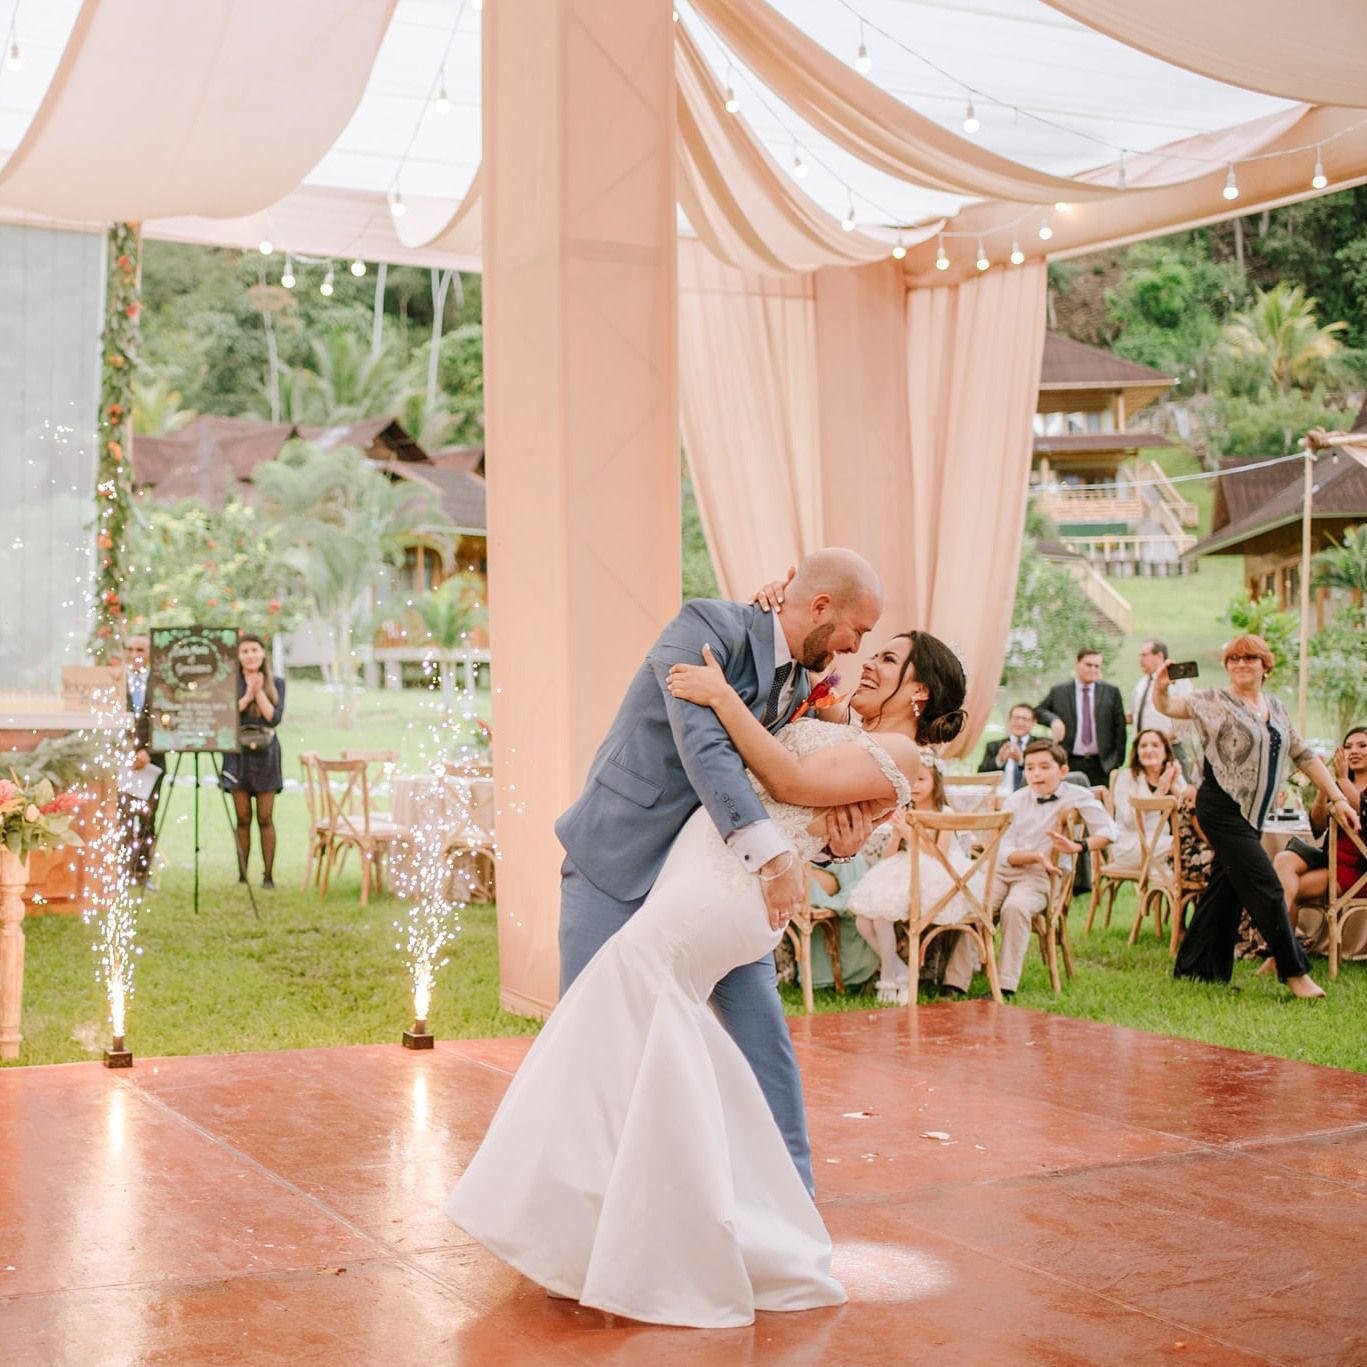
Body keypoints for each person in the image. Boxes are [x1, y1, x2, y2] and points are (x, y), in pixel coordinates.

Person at [445, 612, 968, 1328]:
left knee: (638, 1004)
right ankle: (643, 1218)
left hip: (732, 888)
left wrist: (721, 697)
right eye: (865, 648)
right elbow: (809, 782)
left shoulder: (900, 757)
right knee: (651, 1027)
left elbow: (785, 774)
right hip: (705, 869)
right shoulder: (845, 719)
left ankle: (649, 1230)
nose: (865, 661)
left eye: (889, 658)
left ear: (921, 693)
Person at [1155, 634, 1358, 997]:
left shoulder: (1276, 708)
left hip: (1253, 813)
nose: (1240, 665)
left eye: (1249, 659)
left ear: (1265, 666)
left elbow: (1305, 756)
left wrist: (1339, 798)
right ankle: (1294, 972)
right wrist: (1160, 688)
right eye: (1233, 659)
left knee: (1225, 888)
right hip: (1219, 806)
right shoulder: (1213, 700)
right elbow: (1169, 706)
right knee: (1265, 883)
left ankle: (1197, 967)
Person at [942, 738, 1115, 999]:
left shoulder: (1076, 795)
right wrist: (1034, 855)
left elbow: (1110, 831)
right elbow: (1005, 850)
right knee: (977, 906)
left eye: (1045, 767)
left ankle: (1005, 984)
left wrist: (1077, 846)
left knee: (1016, 907)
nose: (1036, 774)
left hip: (1041, 876)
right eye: (1031, 767)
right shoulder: (1016, 799)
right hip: (1004, 870)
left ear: (1063, 771)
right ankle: (954, 982)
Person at [844, 758, 982, 1004]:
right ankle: (903, 971)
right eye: (911, 780)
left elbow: (939, 855)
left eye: (921, 779)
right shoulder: (906, 810)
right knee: (865, 921)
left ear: (935, 782)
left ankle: (888, 976)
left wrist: (911, 833)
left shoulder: (945, 814)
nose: (915, 786)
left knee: (883, 915)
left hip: (939, 874)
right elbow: (888, 855)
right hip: (905, 867)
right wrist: (898, 833)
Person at [1271, 725, 1367, 936]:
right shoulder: (1340, 785)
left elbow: (1363, 809)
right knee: (1284, 860)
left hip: (1357, 870)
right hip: (1329, 859)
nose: (1354, 751)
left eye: (1362, 745)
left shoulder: (1345, 784)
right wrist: (1325, 786)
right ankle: (1284, 949)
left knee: (1285, 890)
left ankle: (1280, 951)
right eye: (1348, 747)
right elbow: (1318, 825)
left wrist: (1341, 780)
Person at [220, 633, 286, 890]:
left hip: (266, 754)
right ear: (238, 656)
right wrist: (247, 694)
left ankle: (268, 875)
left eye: (254, 650)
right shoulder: (230, 684)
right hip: (238, 754)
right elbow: (226, 715)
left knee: (266, 817)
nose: (250, 655)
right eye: (244, 651)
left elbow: (273, 717)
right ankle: (242, 874)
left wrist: (259, 692)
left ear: (263, 653)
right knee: (243, 817)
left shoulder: (277, 683)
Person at [1035, 647, 1127, 788]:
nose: (1093, 669)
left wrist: (1116, 762)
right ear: (1077, 664)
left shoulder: (1111, 692)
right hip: (1070, 761)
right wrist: (1054, 720)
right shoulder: (1060, 691)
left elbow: (1120, 728)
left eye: (1097, 666)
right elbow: (1038, 711)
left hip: (1102, 765)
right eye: (1088, 665)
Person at [1109, 728, 1188, 872]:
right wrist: (1160, 792)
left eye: (1155, 745)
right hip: (1132, 845)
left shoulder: (1171, 774)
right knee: (1183, 848)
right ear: (1137, 751)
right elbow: (1129, 820)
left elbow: (1190, 811)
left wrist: (1174, 785)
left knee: (1192, 848)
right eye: (1143, 746)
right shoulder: (1127, 778)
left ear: (1166, 752)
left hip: (1163, 843)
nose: (1149, 750)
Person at [120, 633, 164, 885]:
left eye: (140, 649)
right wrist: (127, 752)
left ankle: (142, 872)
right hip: (124, 759)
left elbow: (167, 721)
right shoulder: (117, 681)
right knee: (123, 817)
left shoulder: (160, 683)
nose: (135, 654)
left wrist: (148, 750)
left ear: (150, 654)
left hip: (153, 762)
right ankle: (122, 871)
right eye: (130, 649)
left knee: (148, 818)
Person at [1129, 639, 1195, 778]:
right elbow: (1134, 714)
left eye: (1144, 655)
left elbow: (1189, 714)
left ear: (1159, 656)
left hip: (1170, 750)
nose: (1140, 660)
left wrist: (1163, 741)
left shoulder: (1178, 679)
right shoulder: (1142, 683)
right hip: (1145, 752)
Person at [978, 701, 1044, 793]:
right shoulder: (994, 745)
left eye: (1024, 719)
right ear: (1009, 720)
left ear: (1033, 722)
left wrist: (1022, 761)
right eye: (1016, 718)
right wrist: (999, 760)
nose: (1020, 723)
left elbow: (1044, 774)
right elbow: (981, 776)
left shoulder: (1041, 745)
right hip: (1000, 797)